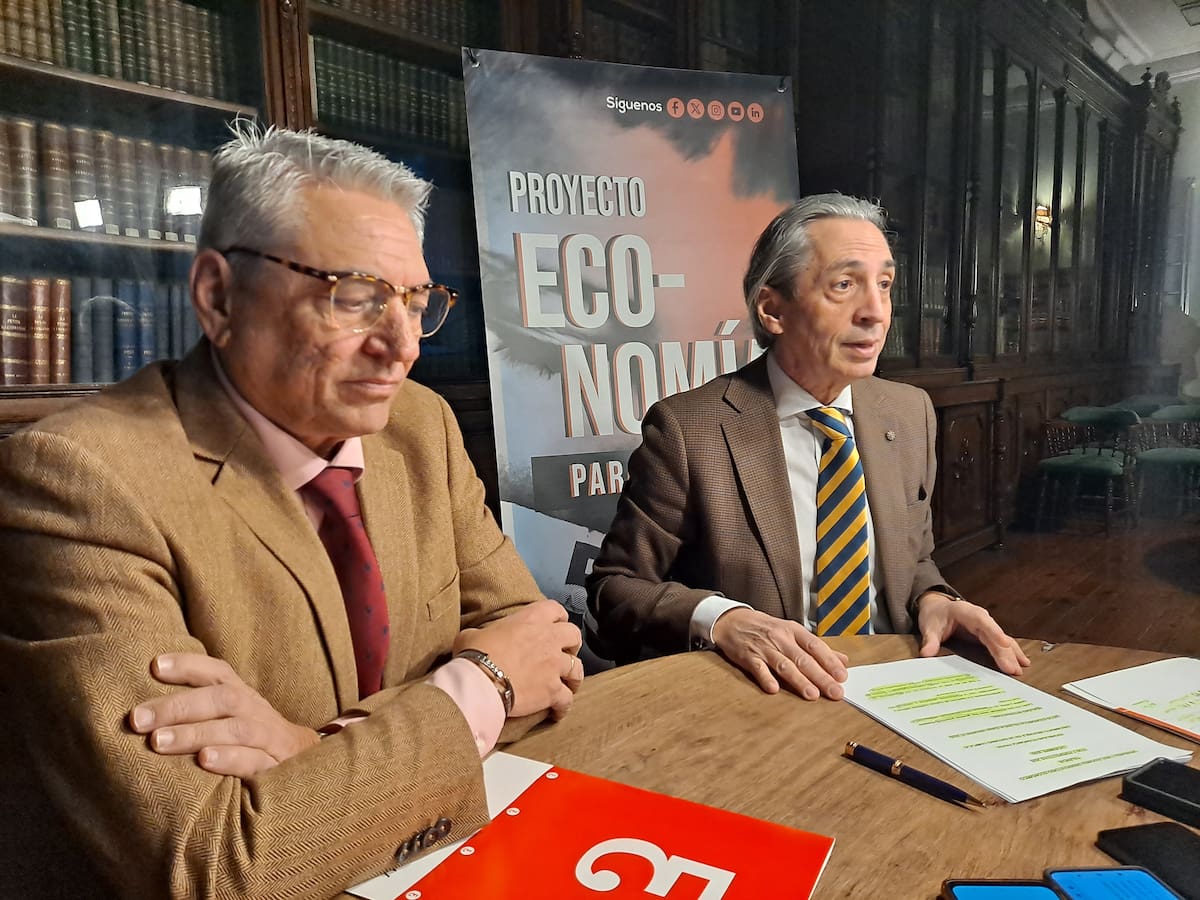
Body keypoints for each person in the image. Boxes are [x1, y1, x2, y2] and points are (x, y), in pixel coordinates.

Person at [0, 125, 582, 899]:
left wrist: (319, 744)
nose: (402, 347)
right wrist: (479, 689)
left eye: (416, 302)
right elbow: (217, 865)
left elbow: (544, 655)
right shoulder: (79, 482)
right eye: (356, 298)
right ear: (219, 297)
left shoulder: (422, 426)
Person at [587, 194, 1029, 700]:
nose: (876, 312)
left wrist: (933, 599)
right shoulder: (689, 430)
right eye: (844, 285)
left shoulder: (910, 412)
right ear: (773, 310)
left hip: (894, 684)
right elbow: (615, 590)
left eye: (884, 284)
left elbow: (913, 560)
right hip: (765, 699)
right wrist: (723, 621)